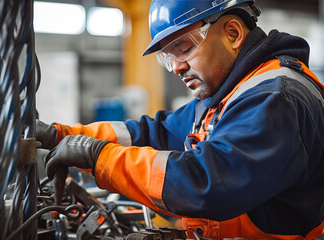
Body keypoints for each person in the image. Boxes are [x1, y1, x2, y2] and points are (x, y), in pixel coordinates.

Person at [36, 0, 324, 239]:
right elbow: (154, 133)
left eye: (183, 48)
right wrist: (64, 136)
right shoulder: (224, 96)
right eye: (166, 57)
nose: (175, 68)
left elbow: (205, 184)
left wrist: (99, 157)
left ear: (233, 33)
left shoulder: (276, 99)